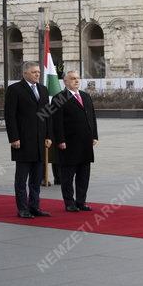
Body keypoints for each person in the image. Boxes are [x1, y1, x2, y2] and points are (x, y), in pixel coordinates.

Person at [4, 61, 52, 219]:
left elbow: (47, 115)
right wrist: (14, 138)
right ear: (25, 73)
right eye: (34, 72)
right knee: (22, 178)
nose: (38, 74)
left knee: (36, 178)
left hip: (40, 141)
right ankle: (23, 209)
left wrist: (48, 136)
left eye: (38, 72)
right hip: (23, 141)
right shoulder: (14, 90)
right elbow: (10, 116)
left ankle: (35, 206)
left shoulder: (43, 89)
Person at [50, 71, 98, 212]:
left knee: (84, 175)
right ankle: (69, 203)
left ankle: (81, 201)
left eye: (77, 78)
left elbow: (92, 118)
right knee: (67, 176)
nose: (76, 81)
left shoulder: (85, 96)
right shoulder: (59, 98)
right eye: (72, 79)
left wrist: (94, 136)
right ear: (65, 82)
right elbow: (56, 122)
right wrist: (60, 140)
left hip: (85, 144)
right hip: (68, 144)